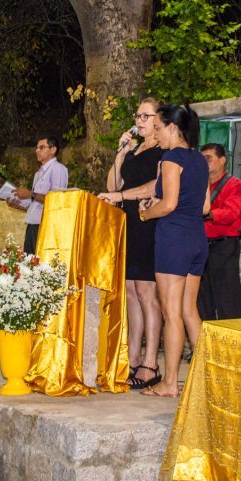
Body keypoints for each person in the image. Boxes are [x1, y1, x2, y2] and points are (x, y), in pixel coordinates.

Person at [136, 104, 210, 398]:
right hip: (197, 239)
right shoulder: (199, 159)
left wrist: (145, 214)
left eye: (158, 129)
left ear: (172, 127)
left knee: (171, 314)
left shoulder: (171, 158)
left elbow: (168, 204)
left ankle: (168, 383)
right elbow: (205, 207)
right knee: (190, 311)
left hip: (174, 240)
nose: (156, 135)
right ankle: (204, 378)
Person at [96, 97, 164, 389]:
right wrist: (121, 153)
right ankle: (133, 358)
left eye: (146, 116)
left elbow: (157, 186)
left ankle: (151, 362)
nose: (139, 120)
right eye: (138, 115)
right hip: (129, 224)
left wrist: (122, 196)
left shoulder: (163, 150)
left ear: (159, 119)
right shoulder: (134, 149)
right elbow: (113, 186)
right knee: (132, 292)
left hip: (148, 222)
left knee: (147, 293)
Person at [197, 143, 241, 320]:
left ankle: (233, 337)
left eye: (208, 158)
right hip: (201, 245)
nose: (204, 162)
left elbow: (232, 213)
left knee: (228, 298)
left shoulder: (235, 185)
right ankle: (205, 336)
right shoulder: (199, 186)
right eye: (201, 159)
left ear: (222, 160)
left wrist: (208, 213)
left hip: (224, 246)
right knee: (202, 300)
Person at [7, 135, 69, 255]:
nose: (37, 151)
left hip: (45, 226)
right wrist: (17, 204)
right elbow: (36, 204)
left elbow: (57, 201)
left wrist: (31, 194)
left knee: (41, 263)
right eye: (36, 148)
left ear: (53, 149)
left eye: (41, 147)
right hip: (32, 224)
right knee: (30, 263)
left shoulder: (58, 169)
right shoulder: (38, 173)